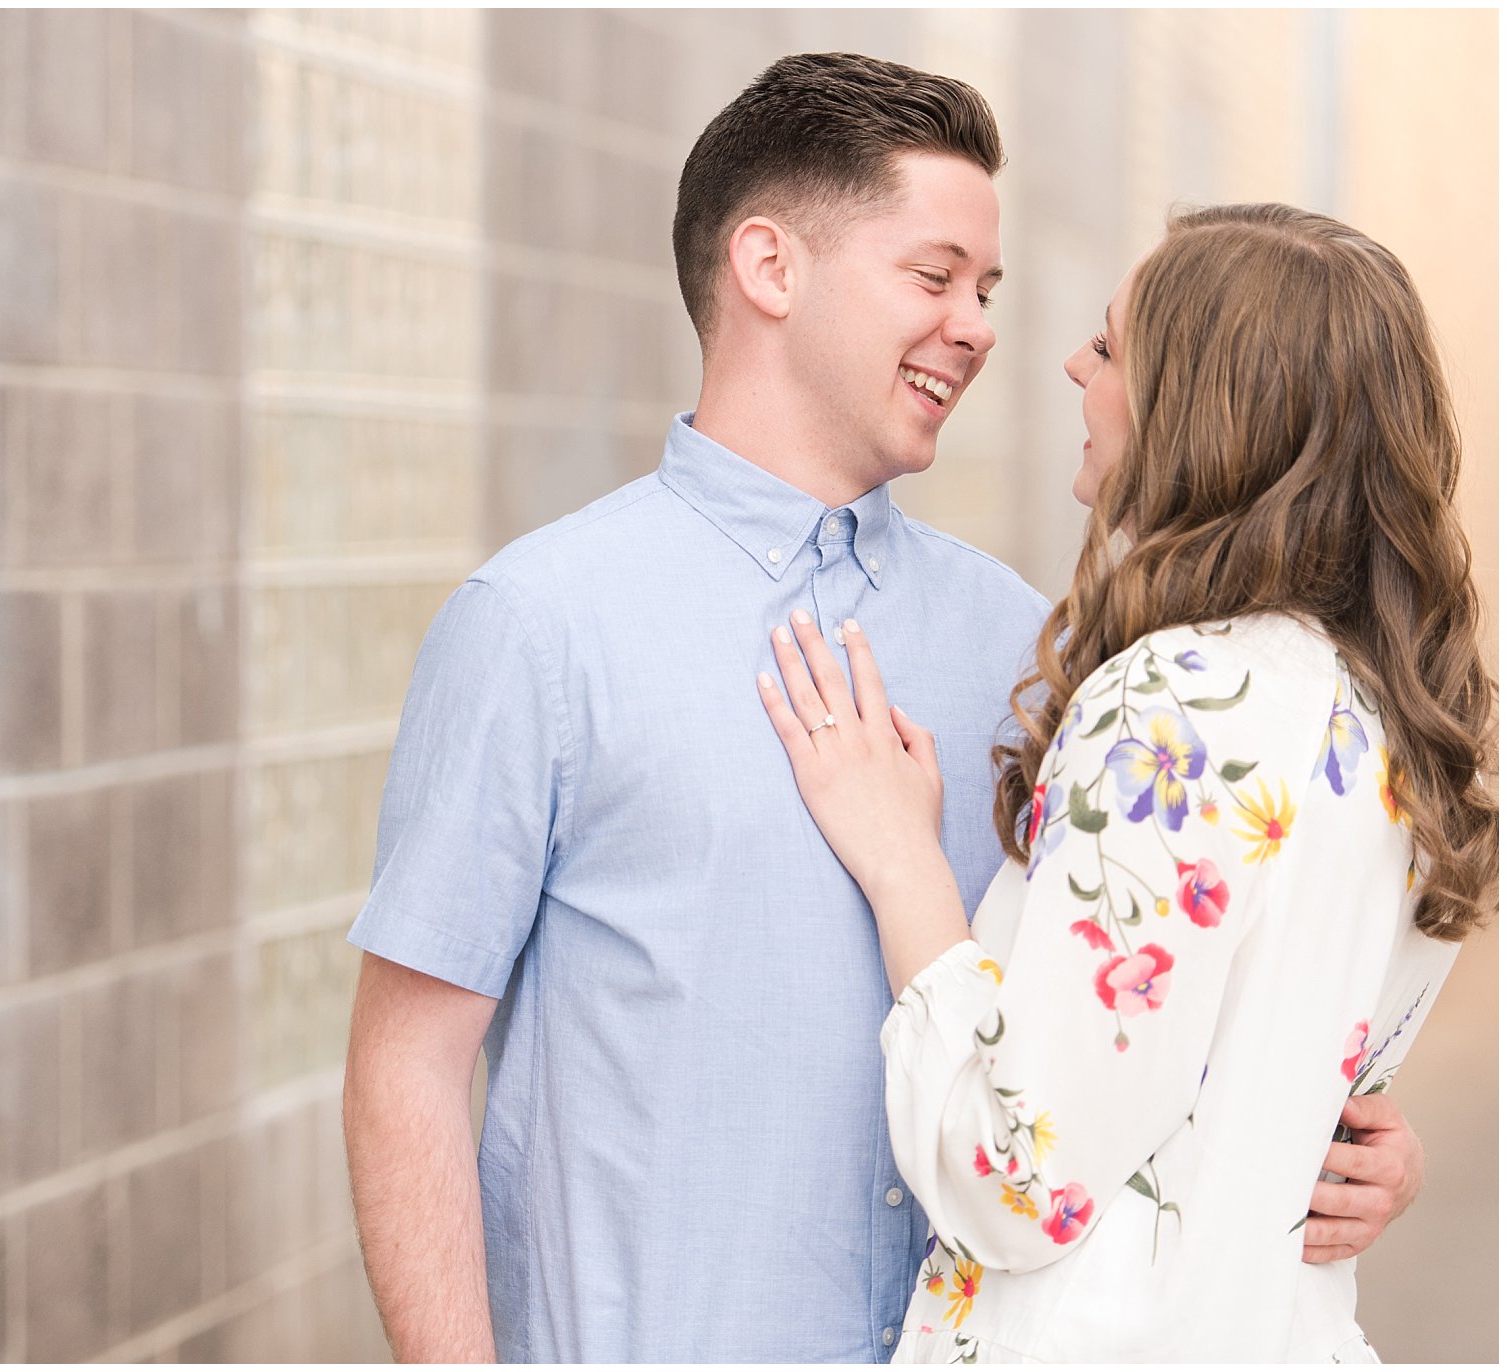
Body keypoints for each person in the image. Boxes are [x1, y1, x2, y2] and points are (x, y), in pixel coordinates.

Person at [342, 54, 1423, 1362]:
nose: (976, 326)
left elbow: (1138, 1034)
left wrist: (1341, 1142)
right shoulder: (541, 627)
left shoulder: (1048, 648)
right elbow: (404, 1067)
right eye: (935, 276)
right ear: (770, 268)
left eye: (989, 290)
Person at [757, 202, 1496, 1360]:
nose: (1068, 365)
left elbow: (1018, 1180)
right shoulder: (1395, 718)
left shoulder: (1179, 701)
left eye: (1108, 347)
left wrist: (902, 866)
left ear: (1201, 410)